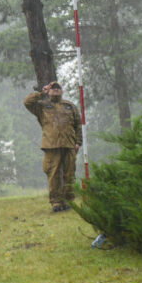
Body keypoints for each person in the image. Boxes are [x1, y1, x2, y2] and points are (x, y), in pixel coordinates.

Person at [23, 81, 82, 212]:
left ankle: (68, 201)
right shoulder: (42, 106)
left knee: (69, 174)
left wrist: (78, 142)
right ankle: (56, 202)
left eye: (58, 88)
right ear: (48, 91)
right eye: (53, 88)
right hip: (51, 145)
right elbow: (27, 102)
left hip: (69, 145)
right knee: (53, 174)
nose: (55, 90)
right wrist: (40, 93)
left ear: (62, 91)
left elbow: (78, 125)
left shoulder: (70, 106)